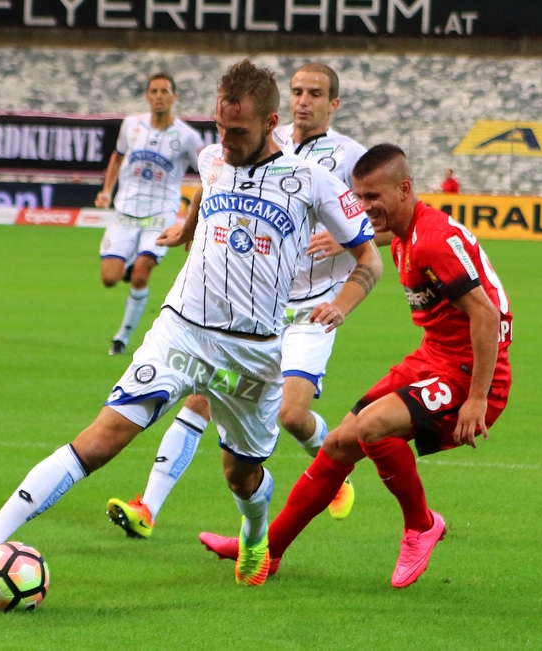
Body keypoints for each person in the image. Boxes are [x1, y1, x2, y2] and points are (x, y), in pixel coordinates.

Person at [0, 60, 381, 588]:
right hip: (183, 332)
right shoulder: (213, 156)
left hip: (256, 353)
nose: (226, 140)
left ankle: (255, 532)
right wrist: (187, 227)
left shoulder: (313, 181)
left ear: (269, 123)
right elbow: (208, 189)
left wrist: (343, 304)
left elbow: (370, 261)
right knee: (103, 438)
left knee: (240, 476)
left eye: (238, 131)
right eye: (220, 126)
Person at [199, 144, 512, 589]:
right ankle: (269, 549)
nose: (363, 207)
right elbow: (380, 237)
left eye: (372, 197)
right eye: (358, 197)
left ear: (405, 190)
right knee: (341, 443)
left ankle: (422, 525)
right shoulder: (410, 229)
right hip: (433, 359)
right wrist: (347, 238)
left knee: (372, 428)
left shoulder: (435, 241)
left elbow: (486, 314)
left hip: (470, 373)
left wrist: (478, 397)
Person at [105, 62, 383, 542]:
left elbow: (382, 217)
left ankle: (332, 472)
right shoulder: (259, 138)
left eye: (315, 93)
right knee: (198, 397)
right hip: (247, 308)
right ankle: (148, 505)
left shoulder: (350, 157)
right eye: (297, 91)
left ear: (334, 104)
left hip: (312, 308)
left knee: (292, 415)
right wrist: (188, 230)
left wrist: (345, 242)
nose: (304, 100)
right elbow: (213, 181)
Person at [94, 72, 205, 356]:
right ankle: (129, 267)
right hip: (126, 212)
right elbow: (117, 156)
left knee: (141, 276)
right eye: (154, 91)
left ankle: (122, 338)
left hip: (161, 214)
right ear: (147, 96)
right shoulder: (131, 125)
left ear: (174, 97)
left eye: (164, 91)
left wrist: (198, 220)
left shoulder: (188, 136)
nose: (159, 96)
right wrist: (107, 189)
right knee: (109, 278)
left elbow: (209, 173)